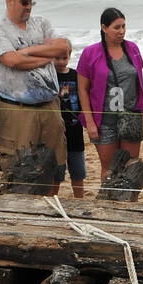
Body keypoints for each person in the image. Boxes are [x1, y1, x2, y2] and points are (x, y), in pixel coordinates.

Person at [0, 0, 67, 191]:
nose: (28, 6)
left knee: (54, 164)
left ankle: (49, 206)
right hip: (18, 110)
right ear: (9, 1)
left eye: (31, 2)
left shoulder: (41, 23)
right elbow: (12, 61)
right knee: (18, 167)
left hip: (49, 106)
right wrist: (44, 56)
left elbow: (61, 47)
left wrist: (29, 51)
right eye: (24, 2)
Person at [77, 8, 143, 182]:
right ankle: (108, 203)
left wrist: (140, 108)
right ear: (104, 28)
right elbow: (83, 90)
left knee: (131, 167)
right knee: (109, 169)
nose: (121, 31)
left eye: (123, 26)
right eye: (116, 27)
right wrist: (90, 122)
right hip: (104, 121)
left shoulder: (132, 49)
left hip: (130, 117)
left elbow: (137, 80)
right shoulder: (90, 53)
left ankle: (129, 204)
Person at [51, 39, 87, 199]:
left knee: (77, 168)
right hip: (55, 130)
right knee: (57, 169)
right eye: (57, 58)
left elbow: (84, 96)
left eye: (64, 58)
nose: (60, 62)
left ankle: (79, 199)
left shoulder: (76, 75)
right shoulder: (49, 75)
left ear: (70, 56)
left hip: (74, 126)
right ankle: (53, 199)